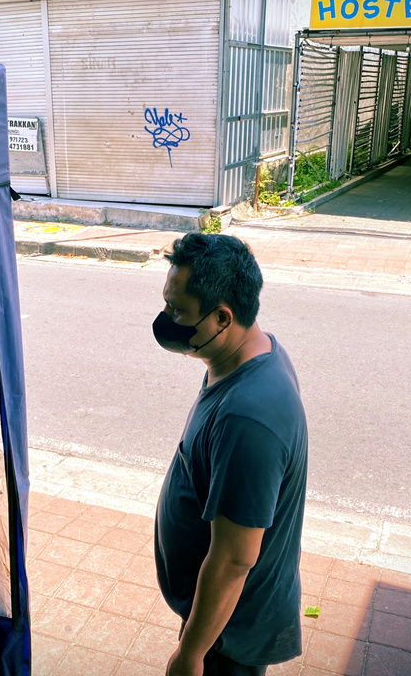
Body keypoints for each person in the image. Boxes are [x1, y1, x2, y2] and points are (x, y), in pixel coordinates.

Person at [152, 233, 309, 676]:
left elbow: (235, 558)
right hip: (217, 618)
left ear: (223, 317)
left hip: (228, 636)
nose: (167, 319)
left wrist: (191, 654)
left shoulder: (248, 417)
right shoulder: (250, 354)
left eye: (179, 311)